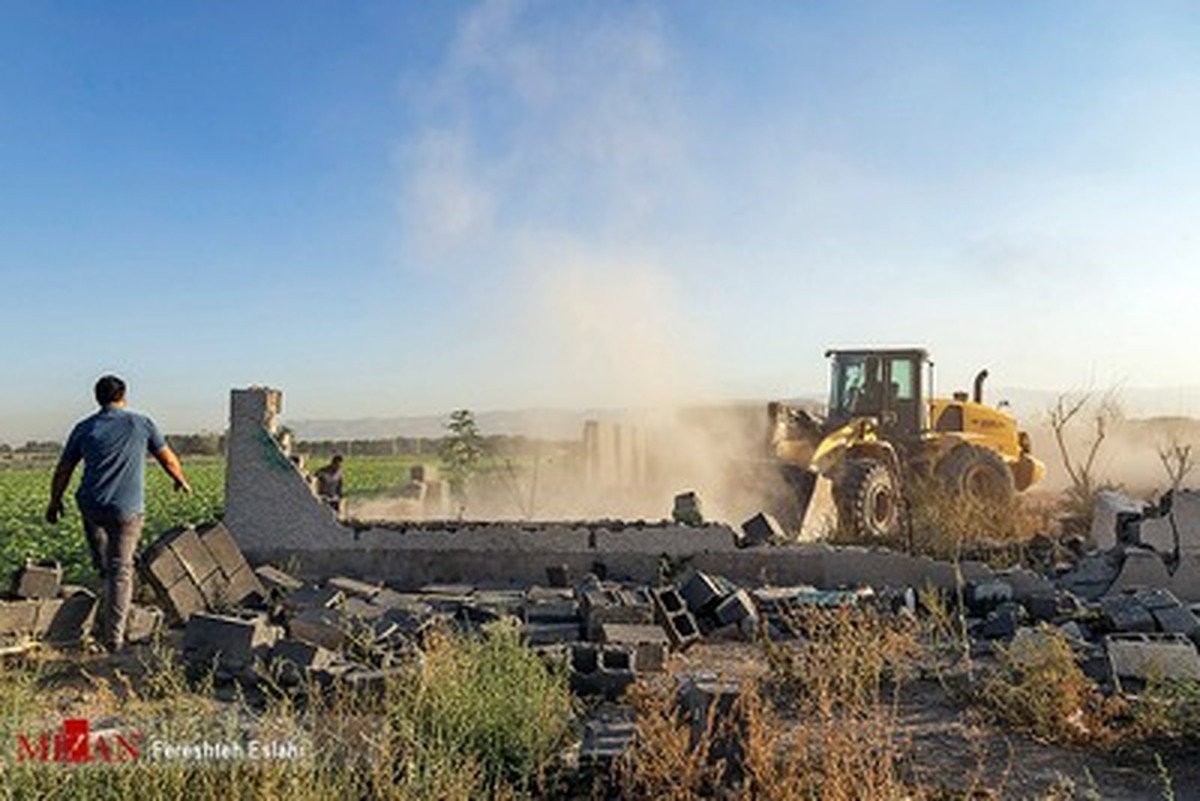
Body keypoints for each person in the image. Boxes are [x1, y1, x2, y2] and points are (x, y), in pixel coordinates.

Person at [45, 375, 191, 652]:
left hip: (91, 506)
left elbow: (64, 469)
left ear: (97, 398)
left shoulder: (84, 428)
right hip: (126, 511)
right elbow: (168, 458)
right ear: (123, 396)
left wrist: (55, 502)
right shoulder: (141, 423)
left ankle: (105, 611)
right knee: (121, 571)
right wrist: (179, 479)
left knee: (106, 566)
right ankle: (113, 639)